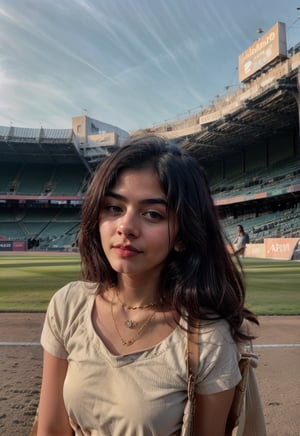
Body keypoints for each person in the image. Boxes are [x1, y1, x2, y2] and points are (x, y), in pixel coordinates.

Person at [37, 134, 258, 436]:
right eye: (114, 208)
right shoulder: (68, 305)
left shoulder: (207, 338)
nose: (126, 226)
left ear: (182, 235)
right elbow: (50, 429)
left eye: (152, 214)